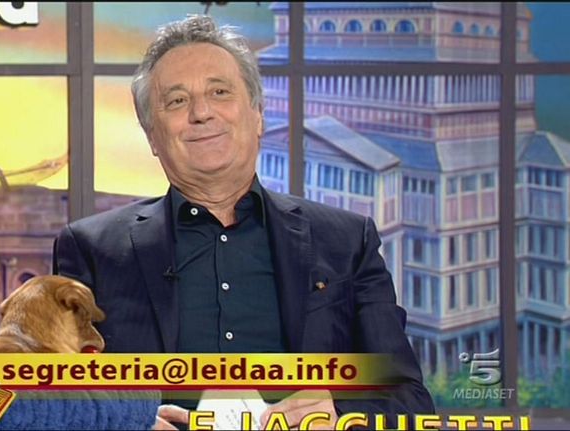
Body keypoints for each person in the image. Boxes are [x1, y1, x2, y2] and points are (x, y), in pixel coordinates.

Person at [53, 15, 434, 430]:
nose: (201, 112)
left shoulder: (347, 241)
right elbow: (52, 401)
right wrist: (129, 422)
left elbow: (409, 401)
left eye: (220, 92)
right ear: (152, 137)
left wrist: (341, 415)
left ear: (257, 116)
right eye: (176, 101)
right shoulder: (91, 249)